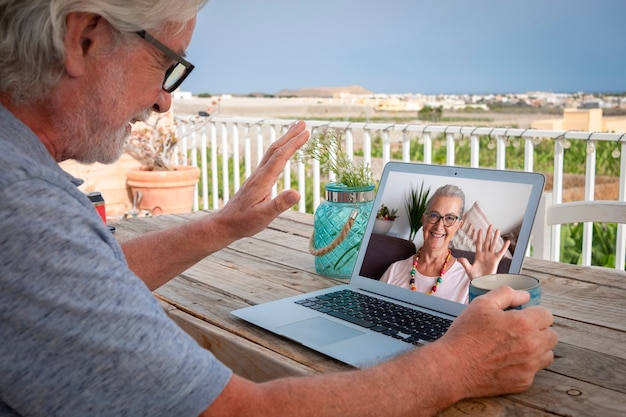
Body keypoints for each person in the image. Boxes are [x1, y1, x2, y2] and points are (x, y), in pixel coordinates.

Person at [0, 1, 557, 416]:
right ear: (85, 39)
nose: (164, 99)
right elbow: (238, 414)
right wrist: (457, 365)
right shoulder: (25, 210)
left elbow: (83, 280)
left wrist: (221, 226)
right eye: (167, 63)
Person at [380, 184, 511, 304]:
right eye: (434, 215)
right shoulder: (394, 270)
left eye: (449, 218)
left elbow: (484, 326)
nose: (439, 225)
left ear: (459, 226)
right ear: (424, 219)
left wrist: (484, 287)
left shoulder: (469, 280)